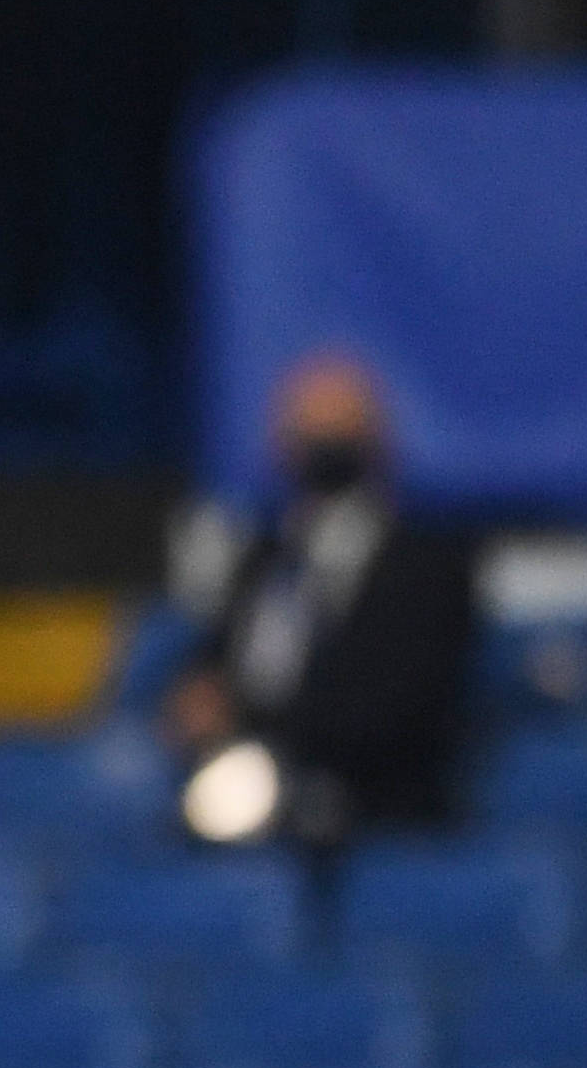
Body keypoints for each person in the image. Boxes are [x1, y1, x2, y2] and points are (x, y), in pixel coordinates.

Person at [160, 353, 479, 849]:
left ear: (378, 440)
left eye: (339, 429)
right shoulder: (265, 556)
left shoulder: (428, 564)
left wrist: (265, 731)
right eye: (309, 430)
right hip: (250, 798)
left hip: (376, 812)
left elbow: (406, 701)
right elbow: (215, 656)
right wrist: (198, 696)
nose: (324, 445)